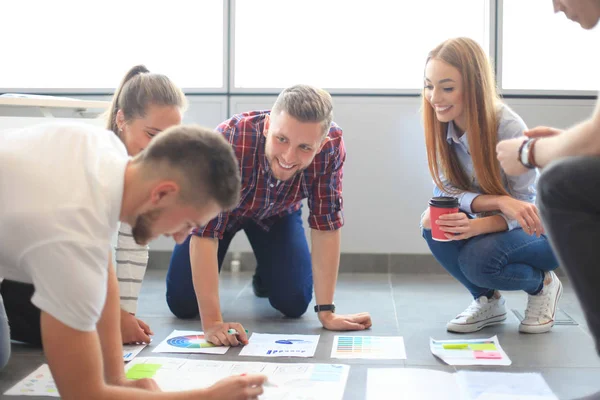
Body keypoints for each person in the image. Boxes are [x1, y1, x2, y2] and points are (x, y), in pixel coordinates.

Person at [0, 121, 266, 399]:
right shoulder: (73, 234)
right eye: (187, 224)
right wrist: (205, 397)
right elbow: (83, 393)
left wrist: (117, 378)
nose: (179, 238)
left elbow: (104, 268)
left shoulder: (107, 151)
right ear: (162, 193)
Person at [166, 84, 372, 346]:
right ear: (266, 127)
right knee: (182, 303)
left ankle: (267, 272)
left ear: (321, 144)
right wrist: (213, 323)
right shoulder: (228, 139)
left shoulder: (332, 148)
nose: (288, 156)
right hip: (220, 216)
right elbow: (205, 233)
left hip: (277, 215)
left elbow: (326, 225)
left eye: (305, 148)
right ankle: (263, 266)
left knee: (294, 302)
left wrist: (327, 312)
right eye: (281, 139)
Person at [0, 65, 186, 345]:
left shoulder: (143, 167)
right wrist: (110, 322)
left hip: (37, 259)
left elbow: (132, 244)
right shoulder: (93, 160)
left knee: (91, 322)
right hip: (23, 258)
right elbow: (90, 256)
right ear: (122, 119)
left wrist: (124, 314)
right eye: (151, 134)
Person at [419, 37, 561, 334]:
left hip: (538, 229)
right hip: (499, 216)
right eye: (429, 86)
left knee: (478, 260)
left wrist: (477, 225)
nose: (435, 97)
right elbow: (444, 190)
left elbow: (523, 208)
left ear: (474, 86)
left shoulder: (507, 127)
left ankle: (543, 284)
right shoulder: (440, 121)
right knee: (431, 224)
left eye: (447, 88)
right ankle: (487, 301)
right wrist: (497, 201)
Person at [497, 0, 600, 354]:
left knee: (560, 184)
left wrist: (528, 154)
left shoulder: (505, 123)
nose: (556, 8)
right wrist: (564, 144)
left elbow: (597, 135)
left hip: (515, 228)